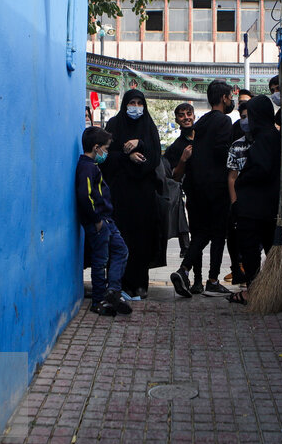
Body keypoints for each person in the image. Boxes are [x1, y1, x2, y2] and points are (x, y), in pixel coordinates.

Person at [170, 80, 235, 298]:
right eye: (230, 96)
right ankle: (213, 281)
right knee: (218, 234)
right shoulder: (224, 121)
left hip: (197, 188)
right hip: (217, 186)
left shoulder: (203, 122)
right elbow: (221, 152)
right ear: (224, 98)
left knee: (202, 233)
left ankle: (183, 270)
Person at [101, 89, 163, 299]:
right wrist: (127, 156)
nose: (135, 107)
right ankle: (118, 283)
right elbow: (106, 157)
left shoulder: (149, 126)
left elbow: (155, 156)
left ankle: (139, 284)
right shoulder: (114, 125)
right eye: (131, 102)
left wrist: (141, 144)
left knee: (142, 238)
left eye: (139, 103)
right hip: (120, 193)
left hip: (143, 194)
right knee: (120, 237)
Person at [228, 96, 281, 305]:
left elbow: (261, 168)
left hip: (254, 208)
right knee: (266, 247)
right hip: (266, 206)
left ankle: (253, 292)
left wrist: (243, 179)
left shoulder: (264, 138)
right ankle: (265, 291)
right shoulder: (271, 136)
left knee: (250, 251)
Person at [75, 127, 131, 316]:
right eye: (105, 149)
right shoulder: (87, 167)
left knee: (121, 250)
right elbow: (85, 195)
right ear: (96, 147)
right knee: (100, 261)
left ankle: (112, 291)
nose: (106, 153)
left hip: (107, 221)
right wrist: (96, 219)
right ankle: (99, 301)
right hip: (99, 222)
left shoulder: (92, 166)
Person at [163, 103, 202, 292]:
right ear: (177, 119)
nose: (186, 117)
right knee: (197, 237)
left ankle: (208, 279)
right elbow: (175, 177)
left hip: (210, 192)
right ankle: (196, 280)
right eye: (181, 115)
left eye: (189, 114)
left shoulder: (205, 137)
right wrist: (183, 159)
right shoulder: (176, 148)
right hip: (191, 197)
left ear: (194, 115)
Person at [224, 99, 252, 286]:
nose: (245, 121)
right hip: (242, 203)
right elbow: (232, 177)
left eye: (248, 116)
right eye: (242, 117)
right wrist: (234, 203)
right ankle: (244, 276)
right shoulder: (236, 146)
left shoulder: (269, 141)